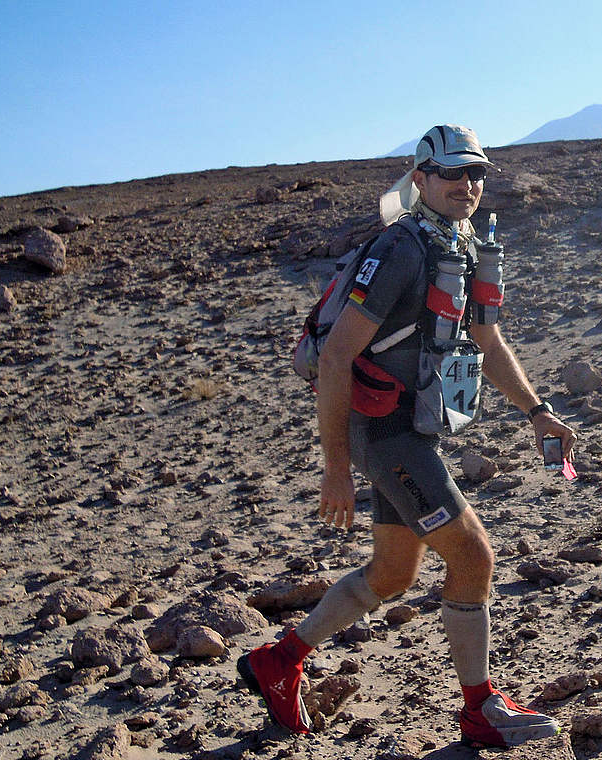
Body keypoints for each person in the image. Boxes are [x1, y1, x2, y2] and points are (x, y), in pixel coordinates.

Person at [239, 124, 576, 749]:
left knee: (393, 575)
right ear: (419, 179)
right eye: (451, 174)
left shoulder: (466, 245)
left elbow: (487, 341)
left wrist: (538, 411)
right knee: (474, 557)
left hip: (409, 431)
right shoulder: (399, 250)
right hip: (384, 434)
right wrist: (336, 468)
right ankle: (480, 708)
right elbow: (337, 356)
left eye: (475, 174)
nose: (466, 185)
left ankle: (278, 661)